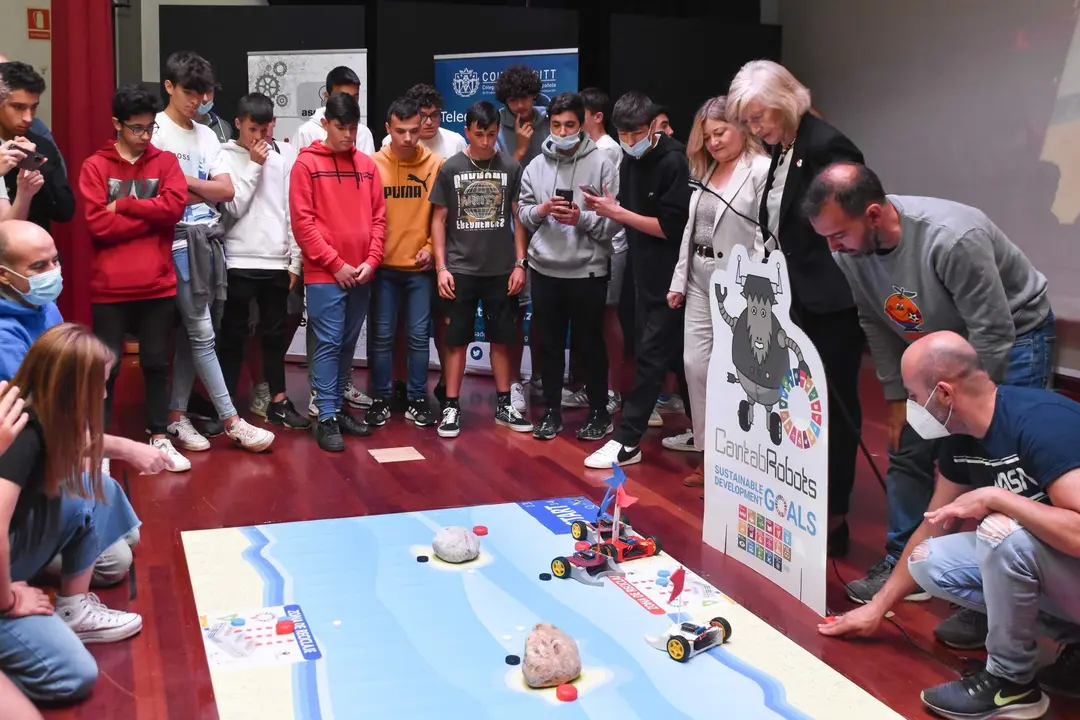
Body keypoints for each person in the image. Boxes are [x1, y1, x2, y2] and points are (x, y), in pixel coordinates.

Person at [803, 162, 1057, 637]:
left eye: (839, 234)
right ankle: (906, 561)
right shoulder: (849, 254)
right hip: (933, 347)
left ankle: (994, 600)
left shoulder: (951, 238)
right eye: (825, 237)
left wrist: (962, 419)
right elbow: (877, 323)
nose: (832, 248)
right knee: (910, 445)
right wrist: (898, 398)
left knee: (999, 460)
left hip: (1012, 336)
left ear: (874, 214)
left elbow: (993, 331)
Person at [819, 331, 1080, 720]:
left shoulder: (1041, 422)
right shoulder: (962, 438)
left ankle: (1011, 684)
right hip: (1063, 570)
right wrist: (878, 607)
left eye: (911, 394)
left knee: (1000, 532)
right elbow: (932, 526)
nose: (908, 406)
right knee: (928, 559)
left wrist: (997, 498)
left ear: (943, 394)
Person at [727, 59, 866, 557]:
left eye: (759, 117)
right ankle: (799, 504)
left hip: (829, 302)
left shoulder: (827, 145)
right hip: (791, 299)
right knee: (794, 405)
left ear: (786, 102)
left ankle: (835, 519)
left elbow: (846, 227)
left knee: (832, 408)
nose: (755, 129)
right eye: (747, 122)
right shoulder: (784, 147)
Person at [0, 324, 170, 706]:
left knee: (99, 501)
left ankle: (70, 604)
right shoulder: (21, 435)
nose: (106, 394)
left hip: (15, 544)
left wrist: (126, 449)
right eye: (102, 384)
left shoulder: (31, 411)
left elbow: (78, 445)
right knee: (73, 676)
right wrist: (9, 601)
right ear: (72, 388)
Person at [0, 219, 170, 581]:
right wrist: (123, 448)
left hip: (52, 457)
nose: (53, 273)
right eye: (39, 266)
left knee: (126, 534)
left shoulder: (40, 305)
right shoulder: (5, 339)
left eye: (55, 261)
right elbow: (38, 432)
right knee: (115, 563)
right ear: (4, 275)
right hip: (24, 469)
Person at [152, 51, 274, 454]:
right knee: (201, 332)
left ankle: (176, 416)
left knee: (197, 334)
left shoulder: (207, 134)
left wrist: (180, 181)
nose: (198, 101)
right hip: (174, 240)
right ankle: (232, 420)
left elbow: (226, 190)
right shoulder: (155, 130)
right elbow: (156, 190)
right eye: (190, 92)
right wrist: (189, 185)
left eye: (203, 94)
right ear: (169, 87)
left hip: (209, 240)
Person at [80, 84, 191, 472]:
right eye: (136, 129)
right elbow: (97, 224)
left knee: (157, 363)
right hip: (109, 289)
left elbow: (174, 208)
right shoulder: (95, 166)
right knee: (104, 369)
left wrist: (125, 205)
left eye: (149, 129)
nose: (145, 137)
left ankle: (160, 435)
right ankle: (99, 448)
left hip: (157, 285)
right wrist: (149, 215)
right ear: (116, 124)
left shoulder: (165, 163)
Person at [580, 92, 690, 469]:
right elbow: (625, 213)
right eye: (623, 134)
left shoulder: (674, 161)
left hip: (673, 277)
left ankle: (627, 441)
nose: (630, 142)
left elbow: (670, 229)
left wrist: (619, 213)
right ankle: (704, 432)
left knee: (651, 355)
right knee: (677, 356)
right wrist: (601, 212)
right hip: (642, 272)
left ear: (654, 126)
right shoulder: (628, 160)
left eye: (638, 133)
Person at [667, 96, 770, 487]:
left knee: (738, 371)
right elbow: (691, 233)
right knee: (695, 366)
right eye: (707, 136)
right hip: (698, 274)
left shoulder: (759, 170)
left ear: (741, 128)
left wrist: (756, 282)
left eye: (720, 132)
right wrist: (679, 280)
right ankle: (708, 455)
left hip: (740, 282)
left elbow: (765, 230)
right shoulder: (707, 171)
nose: (713, 142)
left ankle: (739, 460)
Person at [517, 92, 620, 442]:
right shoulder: (535, 166)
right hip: (545, 268)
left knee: (590, 344)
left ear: (583, 125)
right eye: (557, 125)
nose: (562, 132)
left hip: (588, 270)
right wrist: (541, 212)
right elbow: (523, 212)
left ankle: (597, 413)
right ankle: (550, 412)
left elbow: (614, 222)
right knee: (547, 344)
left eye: (570, 125)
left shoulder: (603, 163)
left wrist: (583, 219)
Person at [429, 100, 532, 439]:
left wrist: (520, 263)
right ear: (467, 131)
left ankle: (504, 405)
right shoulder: (451, 168)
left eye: (491, 135)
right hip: (460, 269)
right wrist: (441, 267)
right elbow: (439, 220)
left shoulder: (510, 168)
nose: (486, 142)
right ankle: (451, 406)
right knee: (456, 340)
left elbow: (519, 219)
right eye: (479, 135)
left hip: (501, 269)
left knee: (502, 339)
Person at [291, 92, 384, 452]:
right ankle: (326, 415)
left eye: (352, 127)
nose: (347, 134)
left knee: (347, 343)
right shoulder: (306, 165)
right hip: (325, 274)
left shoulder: (368, 165)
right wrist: (336, 264)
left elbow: (379, 219)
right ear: (326, 124)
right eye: (340, 127)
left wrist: (370, 262)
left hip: (361, 272)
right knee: (328, 344)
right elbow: (303, 224)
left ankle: (339, 409)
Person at [216, 93, 309, 430]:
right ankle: (224, 408)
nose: (258, 138)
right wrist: (254, 164)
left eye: (264, 130)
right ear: (238, 123)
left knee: (274, 335)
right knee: (233, 336)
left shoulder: (282, 161)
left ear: (273, 126)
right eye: (251, 129)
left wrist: (294, 261)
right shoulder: (222, 156)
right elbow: (232, 208)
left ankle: (278, 402)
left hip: (276, 261)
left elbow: (290, 212)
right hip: (238, 259)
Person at [367, 97, 442, 429]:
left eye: (414, 131)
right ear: (388, 129)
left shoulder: (436, 165)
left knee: (417, 336)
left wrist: (430, 247)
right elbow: (364, 217)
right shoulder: (372, 165)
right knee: (381, 337)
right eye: (401, 131)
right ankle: (381, 398)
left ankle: (416, 399)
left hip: (419, 270)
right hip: (382, 268)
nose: (409, 139)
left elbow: (443, 218)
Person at [559, 87, 627, 418]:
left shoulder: (606, 151)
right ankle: (593, 386)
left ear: (596, 117)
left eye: (578, 118)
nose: (570, 127)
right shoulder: (579, 151)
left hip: (609, 243)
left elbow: (605, 205)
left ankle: (613, 389)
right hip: (584, 243)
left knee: (608, 315)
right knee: (592, 320)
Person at [0, 62, 74, 234]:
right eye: (18, 107)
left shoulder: (42, 145)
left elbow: (65, 211)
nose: (28, 118)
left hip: (34, 249)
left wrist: (34, 164)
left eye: (33, 107)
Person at [295, 66, 375, 155]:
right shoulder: (306, 132)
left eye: (354, 98)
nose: (350, 103)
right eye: (343, 96)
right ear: (327, 97)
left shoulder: (363, 133)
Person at [379, 83, 467, 158]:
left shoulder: (456, 142)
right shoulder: (392, 141)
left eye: (435, 114)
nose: (429, 122)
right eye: (422, 115)